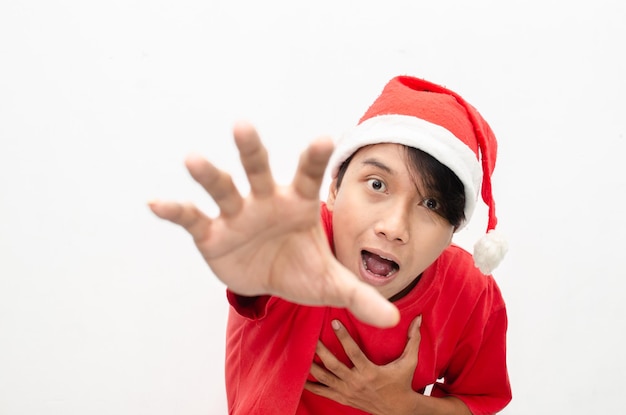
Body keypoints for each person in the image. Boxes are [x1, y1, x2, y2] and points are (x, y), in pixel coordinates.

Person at [149, 75, 512, 414]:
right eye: (377, 184)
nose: (394, 227)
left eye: (430, 204)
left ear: (453, 232)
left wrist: (403, 405)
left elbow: (479, 401)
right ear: (335, 189)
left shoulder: (471, 292)